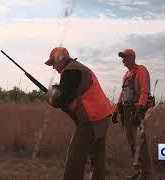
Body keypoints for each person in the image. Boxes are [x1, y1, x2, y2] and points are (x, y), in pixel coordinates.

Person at [44, 46, 113, 180]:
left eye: (53, 63)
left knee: (75, 159)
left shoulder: (71, 71)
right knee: (97, 158)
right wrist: (55, 89)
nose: (53, 67)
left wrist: (49, 97)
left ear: (61, 59)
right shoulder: (77, 68)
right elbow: (70, 90)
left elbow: (62, 99)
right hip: (103, 116)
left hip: (92, 119)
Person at [112, 49, 153, 180]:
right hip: (126, 112)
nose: (123, 59)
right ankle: (138, 172)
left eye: (125, 57)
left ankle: (146, 175)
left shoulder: (141, 70)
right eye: (122, 58)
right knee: (132, 144)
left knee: (140, 143)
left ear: (133, 57)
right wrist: (116, 110)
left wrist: (140, 108)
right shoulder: (126, 74)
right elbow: (123, 93)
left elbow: (145, 91)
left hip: (136, 111)